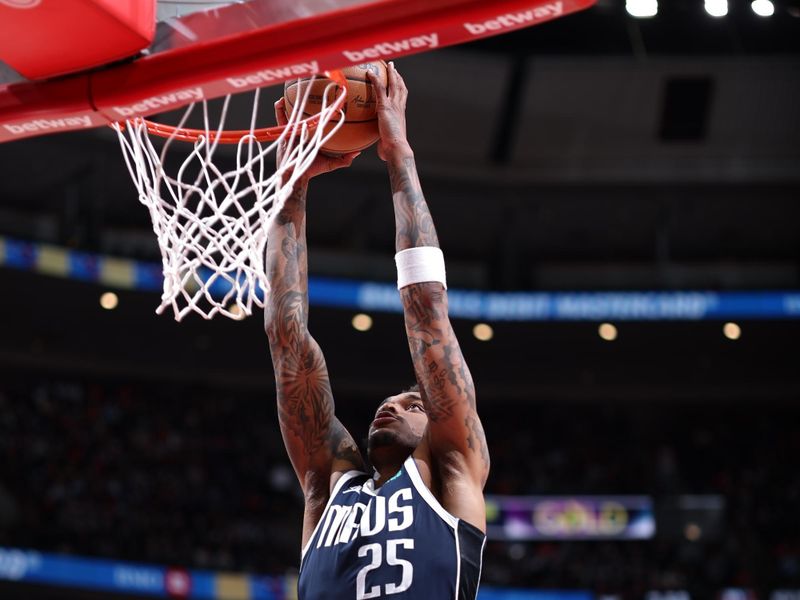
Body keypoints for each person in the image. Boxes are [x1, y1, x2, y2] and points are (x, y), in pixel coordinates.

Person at [264, 63, 489, 600]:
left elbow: (428, 310)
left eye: (412, 403)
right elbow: (286, 337)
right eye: (393, 401)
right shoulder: (328, 487)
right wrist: (290, 185)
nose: (390, 405)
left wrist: (399, 157)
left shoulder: (451, 464)